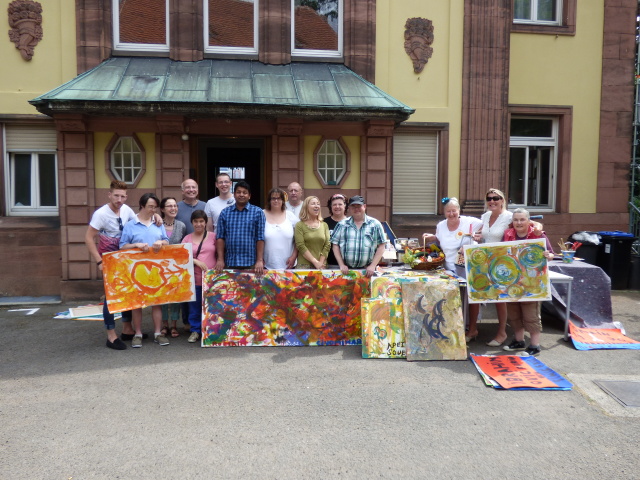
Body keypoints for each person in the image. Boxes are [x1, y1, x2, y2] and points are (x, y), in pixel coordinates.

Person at [472, 188, 544, 347]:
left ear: (502, 200)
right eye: (489, 198)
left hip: (504, 263)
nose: (492, 201)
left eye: (496, 198)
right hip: (486, 261)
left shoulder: (509, 217)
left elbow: (529, 223)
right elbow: (483, 235)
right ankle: (473, 329)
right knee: (480, 294)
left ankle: (502, 332)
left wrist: (538, 226)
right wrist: (478, 237)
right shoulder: (485, 216)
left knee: (501, 299)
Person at [84, 180, 139, 350]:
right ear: (109, 195)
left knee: (127, 292)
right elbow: (88, 238)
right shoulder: (100, 214)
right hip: (108, 259)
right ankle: (111, 336)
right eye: (116, 195)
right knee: (111, 296)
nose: (119, 199)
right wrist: (99, 261)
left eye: (122, 196)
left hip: (125, 257)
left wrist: (156, 216)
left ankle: (127, 328)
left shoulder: (127, 210)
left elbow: (138, 223)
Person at [423, 197, 483, 343]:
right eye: (448, 211)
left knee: (471, 297)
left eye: (454, 211)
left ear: (459, 211)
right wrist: (433, 237)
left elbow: (487, 225)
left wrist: (478, 237)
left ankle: (472, 329)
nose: (451, 214)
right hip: (448, 267)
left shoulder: (470, 222)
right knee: (453, 299)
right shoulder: (441, 225)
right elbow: (440, 240)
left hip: (467, 266)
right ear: (444, 212)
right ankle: (454, 327)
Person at [501, 208, 555, 357]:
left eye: (522, 219)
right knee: (513, 312)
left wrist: (547, 255)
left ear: (528, 221)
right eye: (516, 220)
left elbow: (551, 254)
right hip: (512, 281)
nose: (519, 222)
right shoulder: (508, 234)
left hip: (532, 281)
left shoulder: (537, 234)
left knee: (531, 313)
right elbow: (499, 252)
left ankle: (535, 345)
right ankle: (518, 341)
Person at [119, 193, 170, 348]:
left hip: (155, 270)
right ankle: (138, 334)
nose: (153, 210)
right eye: (150, 207)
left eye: (155, 207)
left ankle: (157, 333)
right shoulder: (130, 225)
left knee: (157, 302)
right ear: (142, 206)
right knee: (137, 303)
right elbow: (122, 246)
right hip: (136, 270)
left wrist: (161, 241)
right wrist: (137, 245)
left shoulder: (158, 223)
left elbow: (167, 241)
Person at [215, 180, 266, 274]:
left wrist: (259, 260)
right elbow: (220, 237)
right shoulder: (225, 213)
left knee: (250, 288)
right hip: (229, 262)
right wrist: (220, 259)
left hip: (251, 263)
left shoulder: (258, 212)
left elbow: (260, 238)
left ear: (249, 195)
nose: (241, 195)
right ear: (234, 194)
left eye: (244, 192)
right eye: (238, 192)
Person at [182, 210, 217, 343]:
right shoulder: (187, 238)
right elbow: (181, 257)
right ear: (192, 223)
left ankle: (210, 331)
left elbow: (220, 253)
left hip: (211, 279)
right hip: (194, 279)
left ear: (205, 223)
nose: (198, 224)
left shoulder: (214, 236)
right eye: (196, 221)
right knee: (194, 307)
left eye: (201, 221)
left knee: (212, 306)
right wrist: (195, 261)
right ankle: (195, 331)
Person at [331, 195, 386, 278]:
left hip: (367, 271)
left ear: (364, 206)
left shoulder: (375, 224)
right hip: (346, 271)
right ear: (349, 208)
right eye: (353, 206)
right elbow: (335, 245)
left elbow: (382, 246)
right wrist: (341, 265)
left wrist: (372, 265)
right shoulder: (342, 224)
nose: (356, 209)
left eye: (359, 206)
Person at [159, 197, 187, 338]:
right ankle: (164, 325)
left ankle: (174, 325)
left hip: (176, 268)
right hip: (159, 267)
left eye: (175, 205)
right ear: (162, 209)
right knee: (162, 298)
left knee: (176, 297)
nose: (173, 208)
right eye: (169, 206)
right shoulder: (156, 225)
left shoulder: (181, 225)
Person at [263, 187, 298, 269]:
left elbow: (299, 238)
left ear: (283, 200)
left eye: (279, 198)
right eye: (273, 198)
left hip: (289, 265)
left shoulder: (290, 216)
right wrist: (259, 259)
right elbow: (256, 238)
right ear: (269, 200)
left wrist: (294, 256)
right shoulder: (261, 214)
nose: (276, 201)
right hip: (266, 265)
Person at [294, 196, 331, 270]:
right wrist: (315, 262)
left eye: (318, 204)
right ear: (306, 207)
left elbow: (327, 244)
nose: (316, 206)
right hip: (304, 266)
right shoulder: (299, 225)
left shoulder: (324, 225)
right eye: (313, 204)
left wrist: (320, 263)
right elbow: (300, 245)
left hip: (322, 266)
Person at [324, 193, 348, 267]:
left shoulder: (351, 223)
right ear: (330, 206)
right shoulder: (324, 222)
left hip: (347, 265)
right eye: (334, 204)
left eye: (340, 204)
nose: (337, 207)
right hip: (328, 263)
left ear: (345, 206)